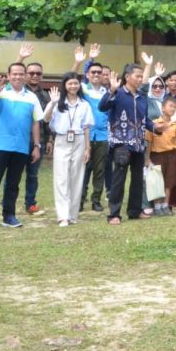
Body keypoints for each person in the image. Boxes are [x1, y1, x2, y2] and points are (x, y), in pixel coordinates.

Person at [0, 61, 44, 230]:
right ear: (8, 76)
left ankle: (9, 216)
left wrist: (37, 145)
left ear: (25, 76)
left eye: (20, 73)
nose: (17, 76)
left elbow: (36, 123)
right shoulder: (0, 93)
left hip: (21, 147)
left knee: (13, 184)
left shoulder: (31, 97)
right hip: (1, 145)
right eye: (14, 74)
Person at [99, 61, 153, 224]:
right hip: (121, 143)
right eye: (138, 76)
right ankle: (114, 214)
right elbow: (102, 107)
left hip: (138, 144)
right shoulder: (118, 93)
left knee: (137, 179)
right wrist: (112, 90)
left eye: (141, 76)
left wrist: (157, 127)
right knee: (119, 180)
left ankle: (135, 211)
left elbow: (145, 120)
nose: (140, 79)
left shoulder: (142, 98)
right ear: (128, 77)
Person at [43, 73, 95, 227]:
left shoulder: (84, 104)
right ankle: (62, 216)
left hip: (79, 140)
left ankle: (72, 215)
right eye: (70, 83)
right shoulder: (58, 103)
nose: (73, 86)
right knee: (61, 178)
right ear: (64, 85)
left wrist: (87, 148)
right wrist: (52, 103)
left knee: (77, 177)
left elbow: (86, 128)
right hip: (62, 140)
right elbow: (45, 119)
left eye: (76, 83)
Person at [73, 44, 111, 213]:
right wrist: (89, 59)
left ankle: (96, 200)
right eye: (93, 72)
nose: (96, 75)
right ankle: (79, 199)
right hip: (85, 135)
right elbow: (71, 77)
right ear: (88, 75)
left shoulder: (107, 92)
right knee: (84, 169)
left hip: (103, 136)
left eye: (99, 73)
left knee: (100, 170)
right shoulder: (83, 89)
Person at [21, 49, 52, 216]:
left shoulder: (45, 96)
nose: (34, 75)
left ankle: (30, 203)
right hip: (18, 140)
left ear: (41, 76)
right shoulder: (19, 91)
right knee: (13, 174)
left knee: (33, 175)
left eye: (37, 73)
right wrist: (21, 58)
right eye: (31, 72)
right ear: (25, 74)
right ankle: (7, 203)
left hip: (37, 142)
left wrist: (49, 140)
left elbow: (47, 121)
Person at [149, 97, 176, 215]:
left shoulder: (175, 124)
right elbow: (149, 141)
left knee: (169, 181)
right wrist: (147, 158)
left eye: (175, 107)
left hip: (171, 155)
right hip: (157, 155)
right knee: (157, 181)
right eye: (170, 106)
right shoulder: (154, 123)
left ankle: (165, 205)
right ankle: (157, 206)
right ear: (163, 108)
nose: (173, 109)